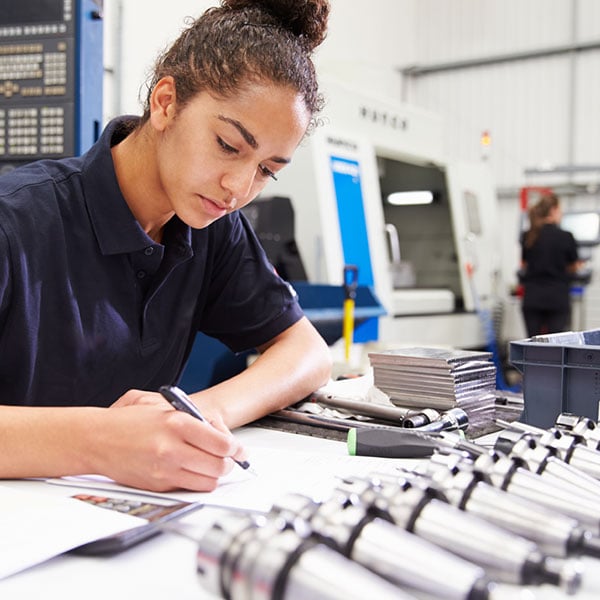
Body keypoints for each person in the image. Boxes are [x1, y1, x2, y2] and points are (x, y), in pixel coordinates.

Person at [0, 0, 332, 492]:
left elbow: (306, 351)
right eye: (228, 145)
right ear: (165, 103)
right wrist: (100, 441)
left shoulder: (211, 227)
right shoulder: (16, 221)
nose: (238, 187)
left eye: (266, 170)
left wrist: (198, 414)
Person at [520, 192, 581, 337]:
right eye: (560, 210)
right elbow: (574, 266)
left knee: (532, 344)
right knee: (555, 346)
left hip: (532, 298)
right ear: (553, 210)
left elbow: (524, 265)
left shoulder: (528, 235)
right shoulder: (566, 236)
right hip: (557, 298)